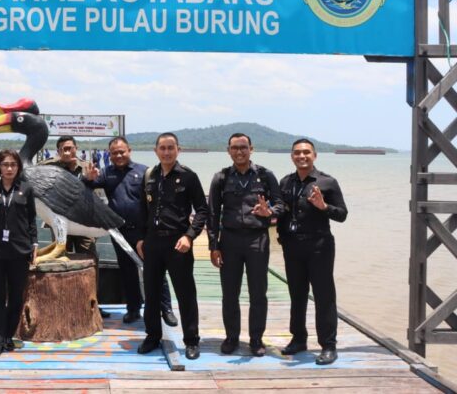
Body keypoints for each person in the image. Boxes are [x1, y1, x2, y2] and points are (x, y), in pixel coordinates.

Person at [83, 136, 178, 326]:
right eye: (114, 153)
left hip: (144, 232)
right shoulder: (105, 173)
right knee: (127, 272)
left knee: (155, 270)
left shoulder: (144, 171)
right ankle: (133, 309)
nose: (118, 155)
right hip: (120, 233)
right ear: (109, 155)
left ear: (129, 151)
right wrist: (87, 179)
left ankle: (166, 308)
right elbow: (86, 187)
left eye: (122, 152)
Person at [136, 132, 210, 360]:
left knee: (186, 294)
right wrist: (140, 238)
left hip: (178, 243)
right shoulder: (149, 176)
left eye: (171, 148)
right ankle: (152, 336)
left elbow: (203, 210)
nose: (166, 152)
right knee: (152, 293)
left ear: (178, 149)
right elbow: (142, 210)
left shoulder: (189, 177)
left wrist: (189, 236)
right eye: (162, 148)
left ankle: (191, 341)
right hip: (153, 243)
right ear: (156, 150)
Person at [208, 133, 283, 357]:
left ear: (252, 148)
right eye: (235, 148)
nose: (239, 152)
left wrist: (269, 212)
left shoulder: (265, 175)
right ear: (228, 150)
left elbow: (280, 204)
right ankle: (231, 337)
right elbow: (213, 213)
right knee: (229, 293)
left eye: (243, 147)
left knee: (258, 293)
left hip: (257, 239)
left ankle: (256, 339)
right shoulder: (221, 177)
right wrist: (214, 245)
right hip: (229, 240)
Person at [277, 138, 348, 365]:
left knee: (324, 296)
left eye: (306, 152)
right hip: (292, 246)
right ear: (292, 156)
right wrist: (280, 235)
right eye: (297, 153)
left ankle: (328, 345)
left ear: (314, 155)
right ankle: (298, 339)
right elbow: (281, 213)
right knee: (297, 295)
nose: (302, 156)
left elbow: (342, 214)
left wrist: (323, 207)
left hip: (319, 246)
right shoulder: (286, 182)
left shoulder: (327, 182)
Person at [39, 135, 108, 316]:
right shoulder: (48, 167)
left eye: (70, 148)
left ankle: (92, 302)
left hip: (83, 222)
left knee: (91, 259)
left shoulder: (87, 167)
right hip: (60, 223)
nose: (67, 151)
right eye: (63, 148)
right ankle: (60, 302)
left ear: (76, 148)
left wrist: (91, 179)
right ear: (58, 151)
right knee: (60, 259)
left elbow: (97, 192)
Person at [0, 150, 37, 359]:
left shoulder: (26, 189)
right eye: (5, 164)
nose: (9, 168)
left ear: (18, 167)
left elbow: (31, 219)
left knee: (16, 297)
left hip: (19, 250)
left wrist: (34, 244)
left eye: (13, 164)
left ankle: (8, 335)